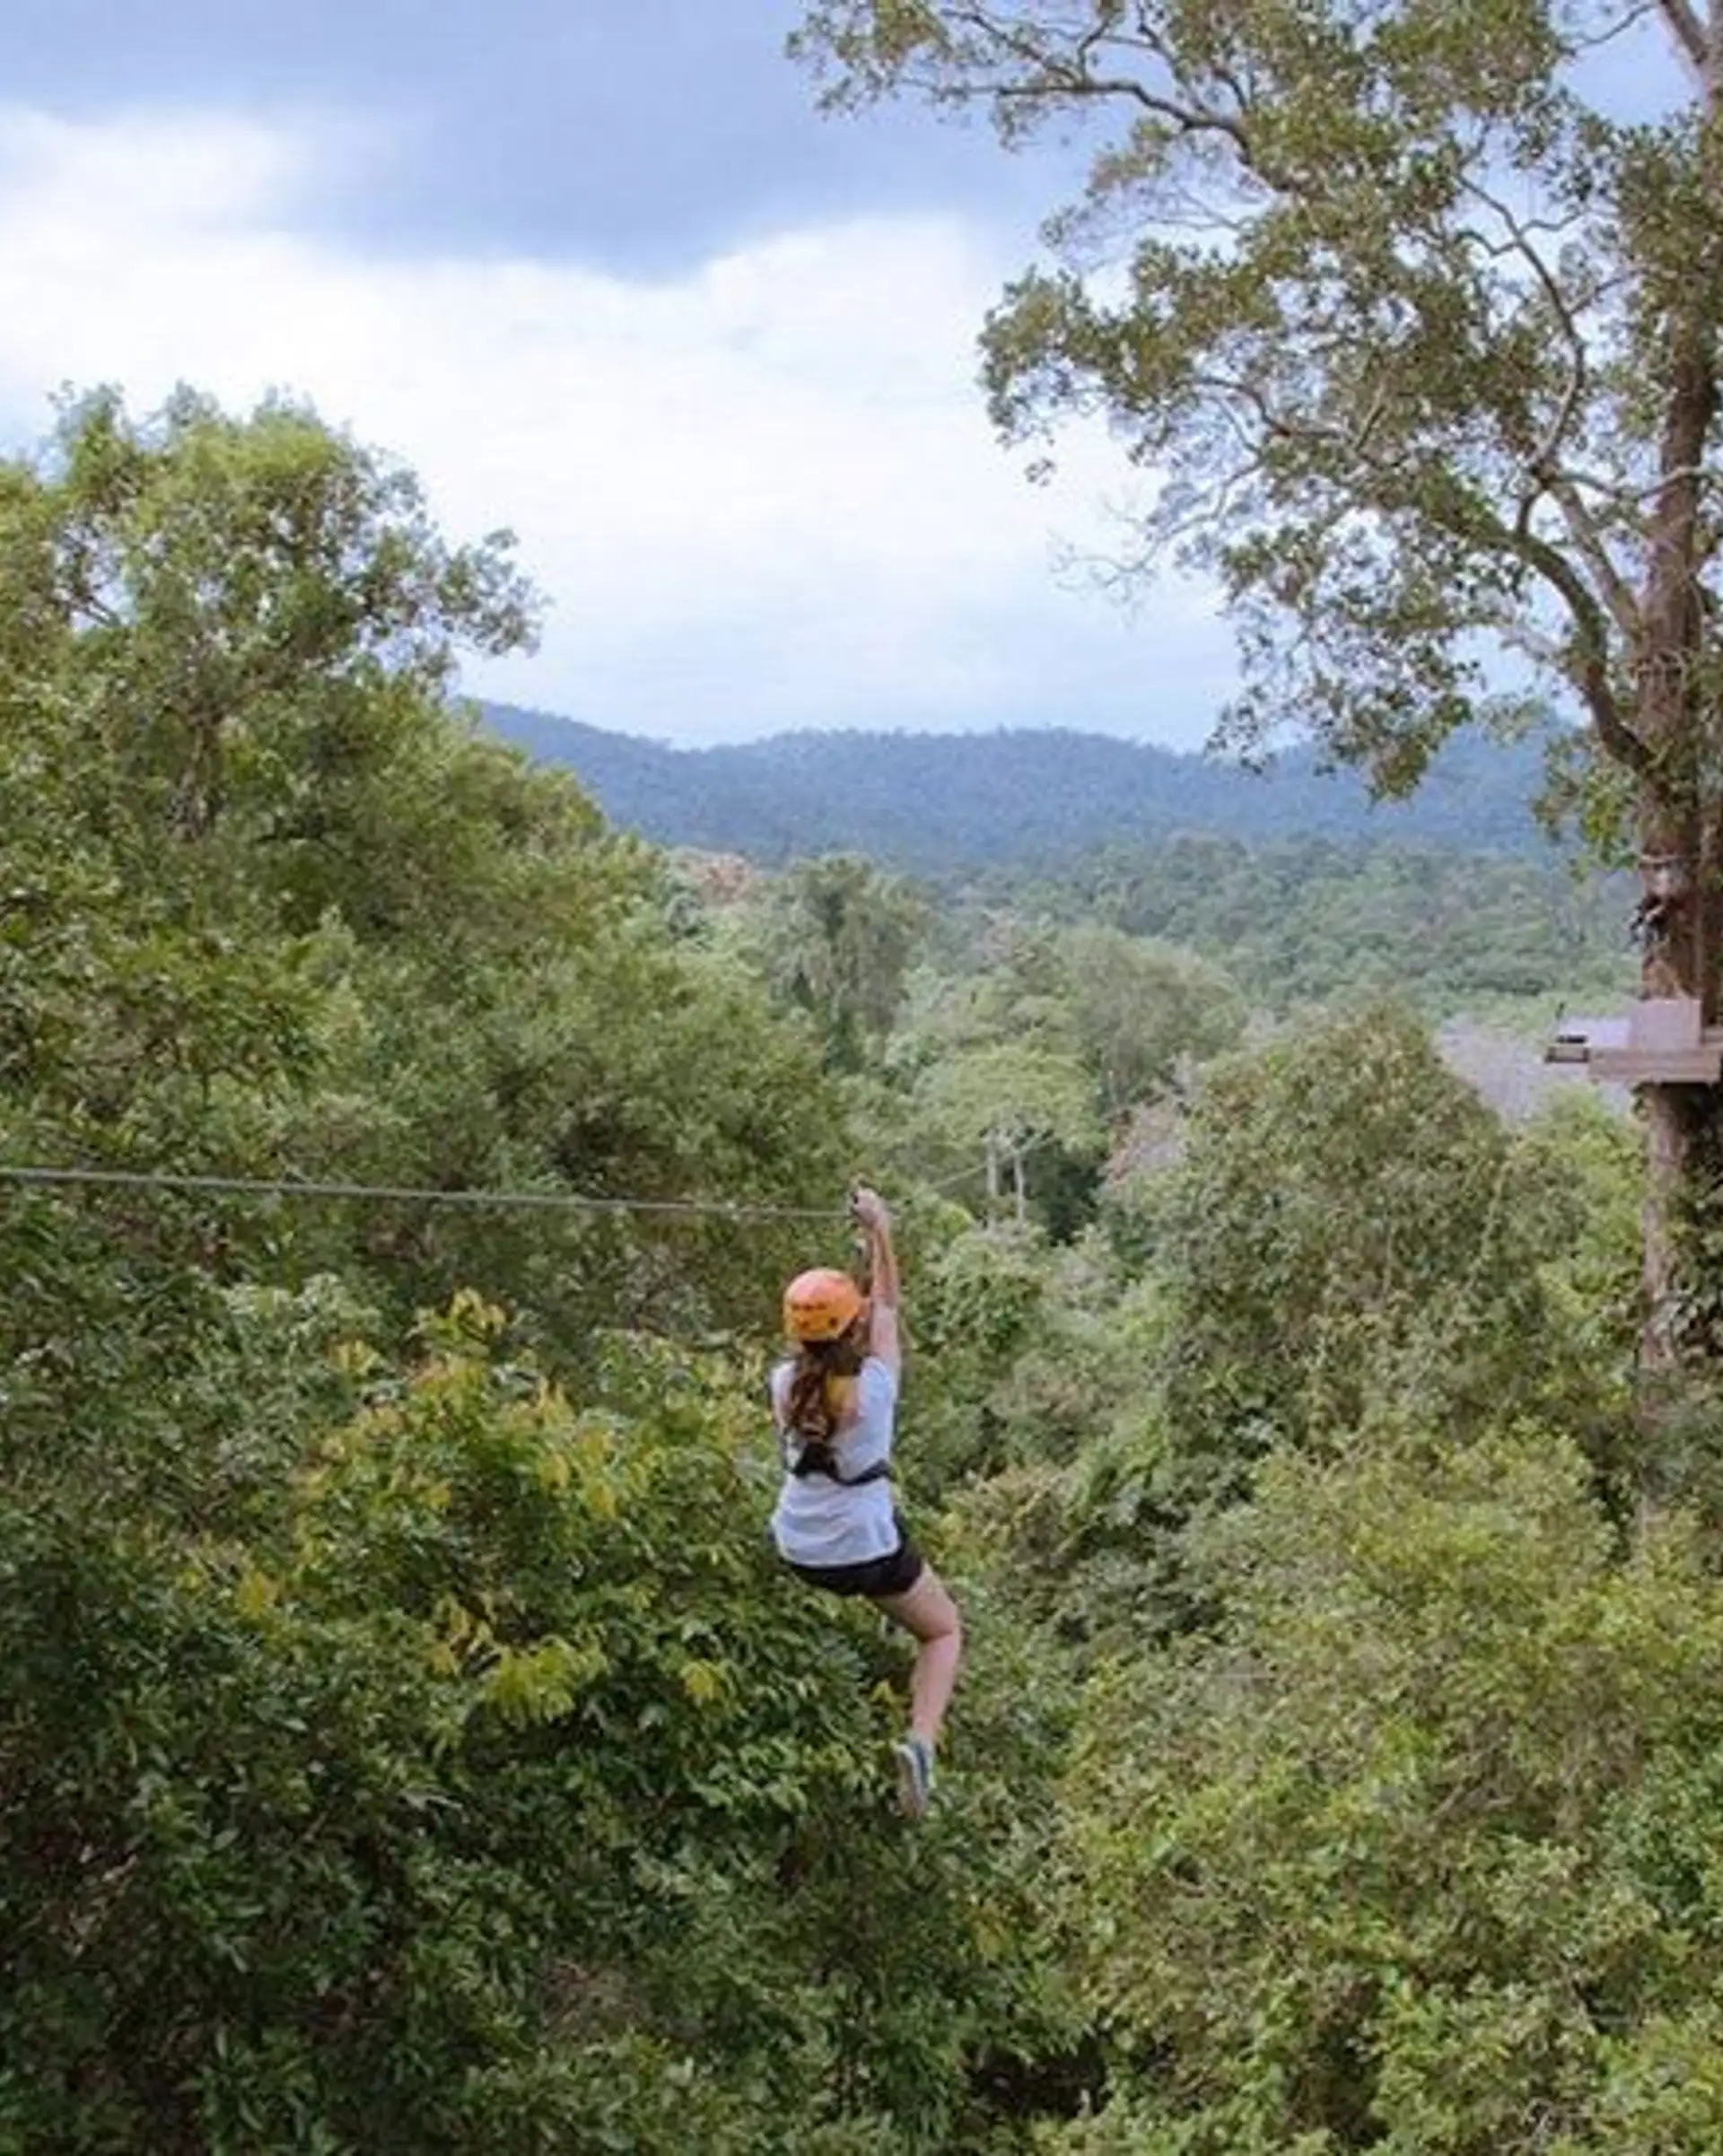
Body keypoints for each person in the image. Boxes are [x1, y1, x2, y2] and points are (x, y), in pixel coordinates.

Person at [769, 1186, 962, 1818]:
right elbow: (886, 1305)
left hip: (799, 1545)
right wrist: (880, 1230)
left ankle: (912, 1738)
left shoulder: (782, 1384)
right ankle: (920, 1743)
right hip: (863, 1548)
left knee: (874, 1569)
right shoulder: (875, 1385)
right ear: (854, 1325)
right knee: (942, 1630)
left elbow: (857, 1322)